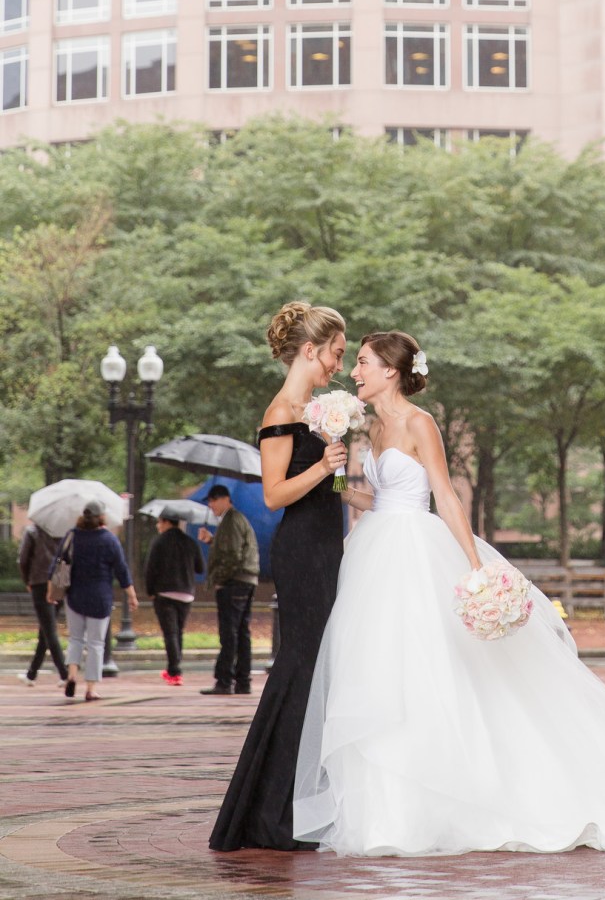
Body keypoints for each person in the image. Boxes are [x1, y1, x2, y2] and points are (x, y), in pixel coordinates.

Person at [293, 331, 605, 856]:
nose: (355, 372)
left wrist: (474, 567)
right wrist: (332, 482)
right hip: (374, 553)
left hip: (419, 553)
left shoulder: (421, 425)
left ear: (392, 371)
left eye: (363, 362)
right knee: (379, 670)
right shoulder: (369, 428)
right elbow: (376, 500)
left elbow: (442, 495)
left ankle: (466, 794)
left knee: (436, 670)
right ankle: (389, 811)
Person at [209, 300, 349, 852]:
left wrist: (353, 488)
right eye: (336, 353)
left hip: (326, 544)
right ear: (310, 350)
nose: (339, 365)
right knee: (300, 666)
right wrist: (322, 466)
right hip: (300, 552)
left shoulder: (313, 409)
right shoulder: (281, 411)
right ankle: (269, 815)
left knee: (317, 669)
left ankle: (294, 805)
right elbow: (274, 495)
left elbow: (326, 489)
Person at [48, 498, 138, 702]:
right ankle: (91, 688)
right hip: (100, 597)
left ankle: (71, 675)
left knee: (75, 639)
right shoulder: (109, 539)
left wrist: (50, 590)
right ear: (102, 517)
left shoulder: (72, 536)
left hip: (75, 596)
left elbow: (56, 563)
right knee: (96, 643)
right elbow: (121, 569)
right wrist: (131, 594)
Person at [198, 485, 259, 697]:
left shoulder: (231, 520)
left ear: (226, 499)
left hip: (234, 582)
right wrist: (213, 540)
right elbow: (232, 548)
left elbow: (232, 555)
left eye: (213, 500)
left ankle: (224, 680)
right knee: (241, 632)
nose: (210, 505)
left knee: (230, 632)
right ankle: (243, 681)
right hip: (245, 580)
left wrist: (220, 580)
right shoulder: (233, 520)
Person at [144, 505, 205, 686]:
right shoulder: (190, 542)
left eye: (159, 522)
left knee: (170, 633)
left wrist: (150, 591)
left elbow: (150, 568)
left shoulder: (159, 541)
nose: (157, 526)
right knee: (178, 631)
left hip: (164, 593)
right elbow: (200, 568)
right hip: (186, 594)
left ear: (166, 522)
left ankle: (175, 671)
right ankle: (175, 667)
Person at [17, 522, 69, 686]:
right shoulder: (64, 531)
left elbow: (23, 559)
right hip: (59, 581)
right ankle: (31, 674)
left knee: (49, 629)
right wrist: (63, 582)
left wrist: (27, 580)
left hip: (39, 581)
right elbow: (67, 557)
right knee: (45, 630)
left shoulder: (32, 531)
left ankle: (65, 674)